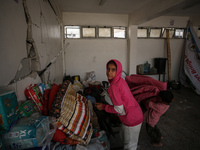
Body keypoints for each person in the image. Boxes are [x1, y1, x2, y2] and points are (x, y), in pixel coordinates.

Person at [95, 59, 143, 150]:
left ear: (118, 71)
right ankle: (133, 144)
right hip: (135, 113)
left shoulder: (114, 86)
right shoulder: (120, 80)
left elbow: (119, 110)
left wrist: (103, 107)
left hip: (131, 118)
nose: (109, 72)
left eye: (113, 70)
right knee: (125, 137)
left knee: (129, 145)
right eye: (108, 69)